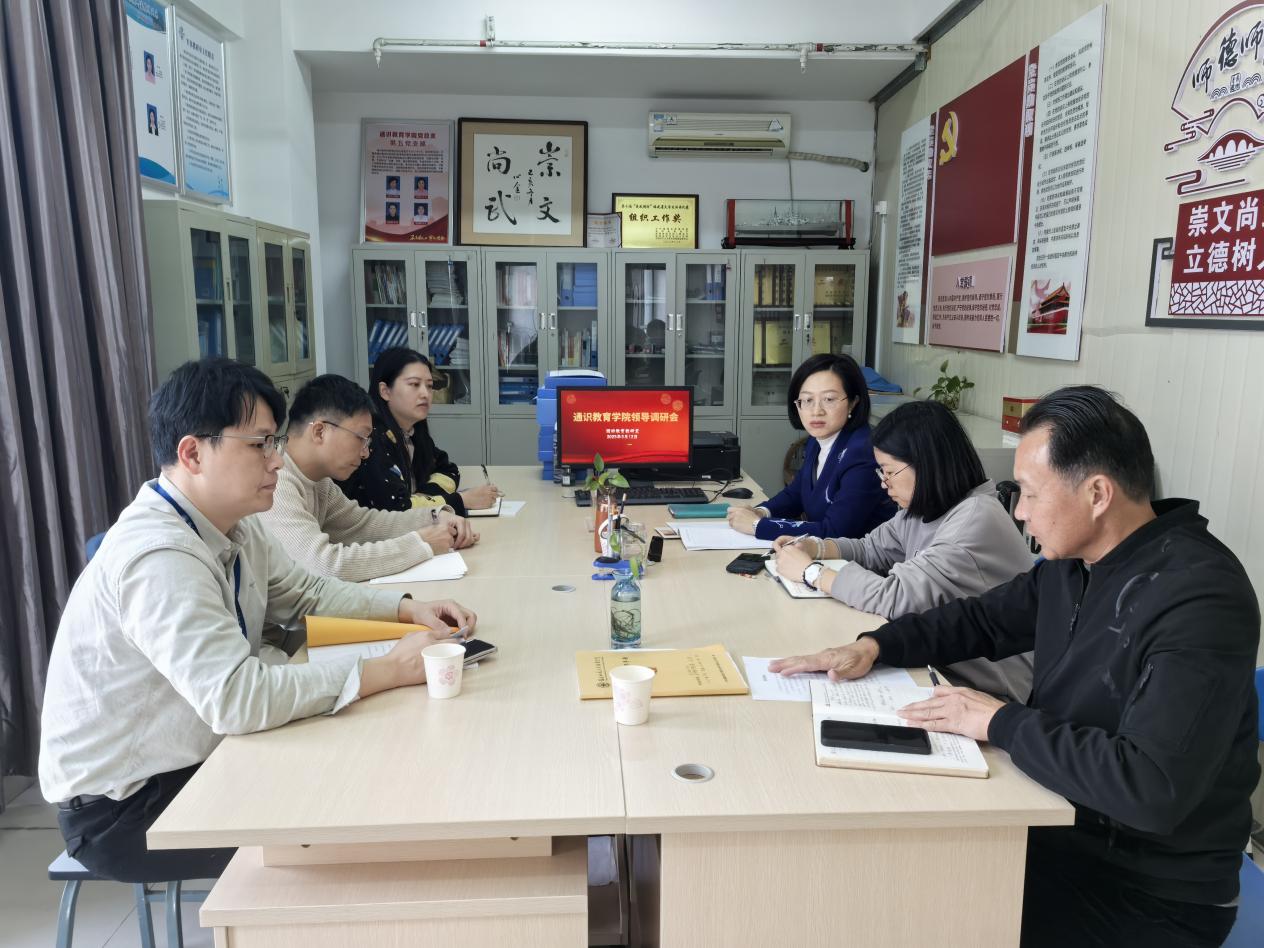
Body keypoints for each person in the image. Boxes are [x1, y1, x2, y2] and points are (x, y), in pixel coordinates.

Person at [772, 386, 1259, 947]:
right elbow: (980, 620)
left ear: (1097, 493)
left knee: (915, 921)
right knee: (877, 884)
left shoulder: (1199, 598)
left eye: (1028, 493)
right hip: (1054, 824)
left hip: (1147, 893)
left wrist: (998, 721)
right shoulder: (1075, 563)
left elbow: (1149, 786)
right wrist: (875, 647)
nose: (1020, 512)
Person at [39, 358, 478, 884]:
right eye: (260, 445)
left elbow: (306, 592)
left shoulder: (232, 524)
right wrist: (386, 669)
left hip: (198, 752)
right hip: (129, 808)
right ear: (192, 453)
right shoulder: (159, 556)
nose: (276, 461)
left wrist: (408, 609)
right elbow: (237, 699)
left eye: (274, 442)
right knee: (358, 797)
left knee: (368, 753)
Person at [771, 399, 1034, 701]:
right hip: (938, 664)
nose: (884, 484)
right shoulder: (924, 508)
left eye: (889, 472)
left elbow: (894, 596)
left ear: (927, 464)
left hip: (990, 689)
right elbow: (870, 549)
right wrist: (815, 547)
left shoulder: (974, 519)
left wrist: (811, 572)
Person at [257, 373, 477, 582]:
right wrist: (421, 543)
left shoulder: (319, 481)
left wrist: (434, 517)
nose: (365, 453)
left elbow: (363, 525)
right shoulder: (276, 482)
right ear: (319, 432)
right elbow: (326, 565)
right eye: (361, 438)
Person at [727, 353, 894, 540]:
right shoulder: (818, 439)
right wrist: (762, 512)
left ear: (853, 403)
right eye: (807, 400)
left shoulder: (863, 452)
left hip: (857, 556)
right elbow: (797, 492)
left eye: (829, 399)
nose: (816, 411)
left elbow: (835, 532)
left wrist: (757, 526)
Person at [338, 347, 500, 514]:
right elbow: (397, 509)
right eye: (414, 384)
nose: (425, 394)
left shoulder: (412, 432)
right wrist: (461, 500)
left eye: (429, 386)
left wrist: (424, 497)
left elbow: (448, 469)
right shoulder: (370, 441)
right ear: (385, 391)